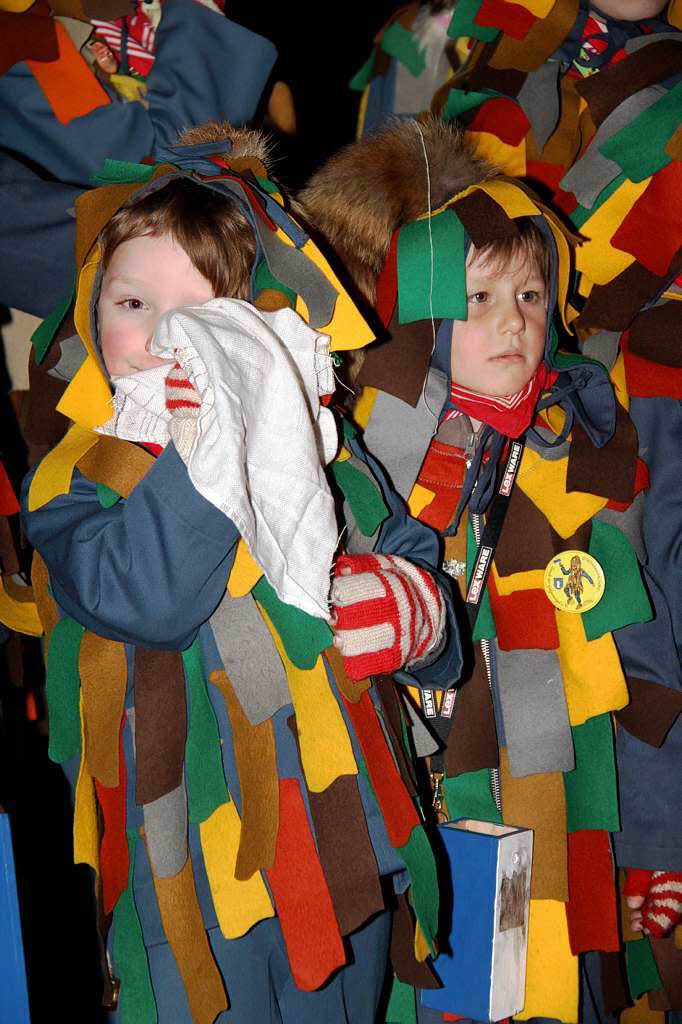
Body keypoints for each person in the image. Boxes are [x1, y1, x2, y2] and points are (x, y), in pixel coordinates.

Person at [19, 122, 463, 1023]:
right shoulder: (73, 478)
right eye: (133, 303)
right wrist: (207, 445)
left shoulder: (321, 450)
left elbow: (415, 568)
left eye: (204, 309)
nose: (166, 335)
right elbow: (145, 599)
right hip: (181, 869)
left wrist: (417, 613)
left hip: (342, 842)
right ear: (90, 314)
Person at [298, 116, 680, 1023]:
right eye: (478, 298)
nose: (513, 320)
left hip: (559, 828)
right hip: (422, 833)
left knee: (548, 993)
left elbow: (646, 663)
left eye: (531, 296)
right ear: (421, 312)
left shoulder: (590, 461)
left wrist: (653, 843)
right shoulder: (362, 467)